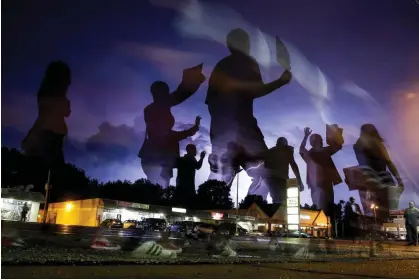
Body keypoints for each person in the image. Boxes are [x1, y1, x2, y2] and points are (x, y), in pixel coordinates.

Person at [206, 28, 292, 199]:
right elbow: (257, 90)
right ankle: (262, 210)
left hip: (221, 130)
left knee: (220, 177)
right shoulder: (247, 63)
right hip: (244, 129)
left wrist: (219, 128)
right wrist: (280, 82)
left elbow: (211, 102)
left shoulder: (221, 66)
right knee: (267, 172)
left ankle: (211, 210)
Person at [138, 71, 205, 187]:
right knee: (160, 189)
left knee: (160, 189)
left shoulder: (156, 108)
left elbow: (179, 95)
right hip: (157, 158)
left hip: (158, 158)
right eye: (165, 92)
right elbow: (164, 135)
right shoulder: (155, 109)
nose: (168, 95)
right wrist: (192, 129)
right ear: (159, 94)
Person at [21, 61, 72, 195]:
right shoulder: (56, 98)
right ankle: (35, 188)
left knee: (49, 170)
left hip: (47, 136)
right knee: (55, 171)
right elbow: (65, 111)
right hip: (50, 137)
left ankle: (34, 187)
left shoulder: (45, 96)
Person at [353, 124, 404, 222]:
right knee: (386, 211)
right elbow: (388, 161)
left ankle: (378, 232)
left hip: (365, 179)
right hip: (381, 178)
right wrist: (399, 180)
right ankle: (385, 232)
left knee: (372, 213)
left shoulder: (357, 145)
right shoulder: (375, 142)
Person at [299, 127, 342, 233]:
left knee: (327, 206)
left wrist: (335, 133)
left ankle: (328, 230)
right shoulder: (313, 153)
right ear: (316, 141)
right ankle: (324, 230)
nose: (322, 141)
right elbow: (301, 150)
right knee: (322, 207)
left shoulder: (322, 151)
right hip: (318, 185)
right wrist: (305, 136)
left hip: (325, 183)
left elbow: (337, 146)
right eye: (320, 140)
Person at [263, 137, 304, 204]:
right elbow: (293, 165)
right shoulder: (286, 150)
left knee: (278, 201)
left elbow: (265, 167)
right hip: (278, 180)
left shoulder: (271, 151)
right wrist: (299, 180)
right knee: (281, 201)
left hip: (274, 180)